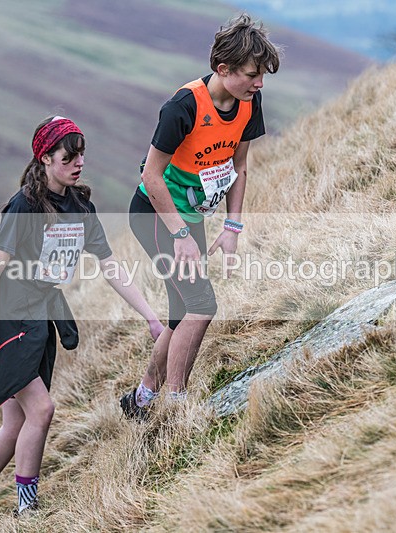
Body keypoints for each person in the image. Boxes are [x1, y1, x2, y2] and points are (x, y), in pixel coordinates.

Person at [0, 115, 163, 530]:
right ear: (44, 158)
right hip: (2, 319)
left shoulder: (81, 207)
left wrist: (151, 317)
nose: (78, 163)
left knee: (17, 420)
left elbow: (111, 267)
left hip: (37, 317)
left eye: (81, 155)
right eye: (68, 156)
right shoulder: (23, 206)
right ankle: (27, 510)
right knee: (41, 409)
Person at [120, 13, 281, 419]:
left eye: (262, 75)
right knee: (201, 305)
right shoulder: (183, 106)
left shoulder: (248, 102)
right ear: (223, 69)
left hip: (188, 216)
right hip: (155, 214)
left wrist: (231, 227)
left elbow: (239, 166)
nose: (260, 83)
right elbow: (150, 176)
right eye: (252, 74)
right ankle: (176, 406)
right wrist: (180, 234)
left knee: (181, 314)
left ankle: (141, 400)